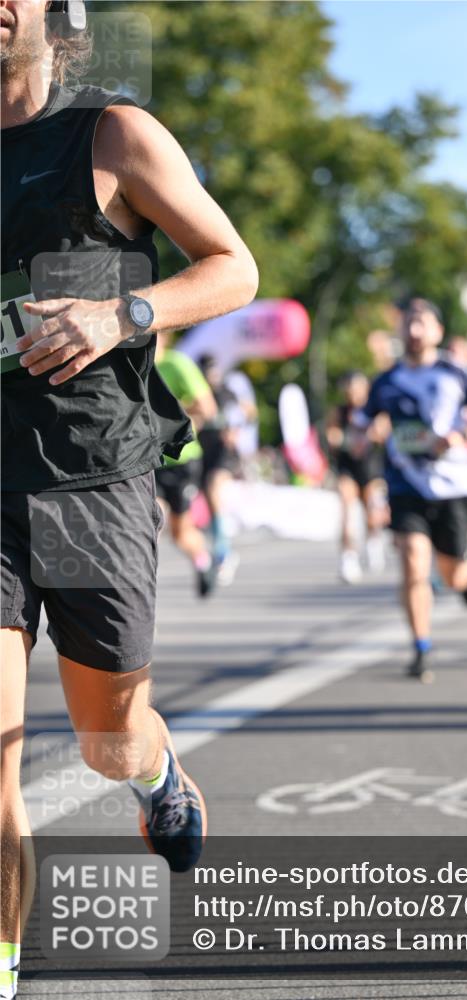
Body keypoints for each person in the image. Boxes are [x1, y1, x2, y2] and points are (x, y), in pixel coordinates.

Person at [0, 3, 258, 997]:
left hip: (90, 479)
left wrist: (123, 314)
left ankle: (154, 772)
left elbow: (234, 268)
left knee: (107, 741)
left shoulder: (111, 135)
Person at [357, 299, 467, 681]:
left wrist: (464, 435)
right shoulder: (385, 381)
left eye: (422, 323)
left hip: (452, 486)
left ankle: (466, 579)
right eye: (408, 322)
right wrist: (365, 436)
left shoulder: (456, 372)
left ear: (438, 331)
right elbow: (361, 424)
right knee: (412, 561)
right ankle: (421, 646)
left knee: (452, 574)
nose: (414, 330)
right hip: (405, 483)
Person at [154, 334, 221, 596]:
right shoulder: (134, 365)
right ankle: (140, 589)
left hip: (183, 461)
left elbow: (208, 408)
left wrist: (171, 413)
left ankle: (203, 560)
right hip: (151, 462)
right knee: (151, 519)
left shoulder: (176, 364)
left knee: (181, 533)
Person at [326, 371, 389, 583]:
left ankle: (374, 540)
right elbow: (332, 435)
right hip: (348, 467)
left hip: (371, 467)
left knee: (372, 510)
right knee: (347, 509)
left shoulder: (376, 411)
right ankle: (348, 557)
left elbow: (383, 432)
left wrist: (370, 434)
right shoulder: (340, 412)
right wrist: (340, 440)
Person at [197, 353, 244, 585]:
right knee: (209, 501)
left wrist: (233, 432)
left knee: (214, 489)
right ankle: (221, 545)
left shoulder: (227, 394)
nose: (211, 375)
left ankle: (223, 552)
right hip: (203, 452)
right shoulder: (197, 393)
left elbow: (240, 417)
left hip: (224, 455)